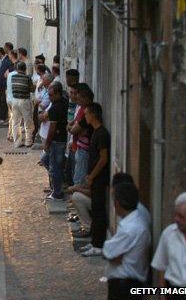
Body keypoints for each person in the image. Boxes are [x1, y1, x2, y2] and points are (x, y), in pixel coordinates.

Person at [102, 182, 151, 299]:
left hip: (124, 286)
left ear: (117, 204)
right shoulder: (138, 220)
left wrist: (115, 255)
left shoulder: (128, 228)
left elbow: (107, 252)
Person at [151, 192, 186, 293]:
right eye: (175, 215)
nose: (176, 219)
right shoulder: (169, 233)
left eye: (181, 216)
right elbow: (161, 266)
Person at [79, 103, 110, 257]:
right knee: (96, 210)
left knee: (99, 212)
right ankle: (94, 242)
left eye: (86, 114)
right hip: (94, 178)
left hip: (99, 179)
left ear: (93, 115)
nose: (85, 117)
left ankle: (99, 244)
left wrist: (92, 176)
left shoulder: (102, 134)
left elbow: (103, 159)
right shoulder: (96, 132)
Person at [43, 82, 68, 201]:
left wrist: (47, 143)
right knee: (45, 160)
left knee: (55, 167)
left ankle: (57, 192)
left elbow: (52, 128)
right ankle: (57, 184)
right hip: (60, 139)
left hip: (57, 141)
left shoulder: (55, 108)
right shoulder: (63, 101)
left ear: (58, 94)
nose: (50, 97)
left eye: (51, 95)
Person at [68, 84, 94, 186]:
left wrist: (73, 128)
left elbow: (75, 129)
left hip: (84, 149)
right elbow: (72, 125)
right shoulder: (81, 109)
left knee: (79, 180)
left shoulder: (87, 111)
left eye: (79, 98)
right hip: (78, 146)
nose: (76, 100)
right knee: (76, 176)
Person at [10, 61, 35, 147]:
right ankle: (28, 141)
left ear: (17, 69)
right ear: (25, 69)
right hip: (24, 101)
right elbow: (31, 89)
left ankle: (17, 142)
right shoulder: (27, 78)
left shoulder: (13, 77)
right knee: (28, 121)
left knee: (16, 122)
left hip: (15, 100)